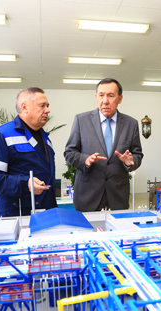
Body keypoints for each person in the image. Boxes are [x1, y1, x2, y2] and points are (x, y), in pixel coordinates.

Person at [64, 78, 144, 212]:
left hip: (118, 196)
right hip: (87, 196)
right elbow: (69, 152)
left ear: (120, 99)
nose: (105, 101)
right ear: (96, 97)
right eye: (101, 95)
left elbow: (137, 155)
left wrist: (130, 162)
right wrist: (85, 160)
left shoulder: (131, 124)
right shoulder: (81, 120)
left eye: (111, 96)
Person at [0, 87, 57, 217]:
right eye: (42, 106)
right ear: (24, 107)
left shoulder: (45, 138)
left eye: (47, 106)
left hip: (47, 211)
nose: (47, 110)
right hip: (18, 214)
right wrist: (25, 183)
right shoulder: (2, 134)